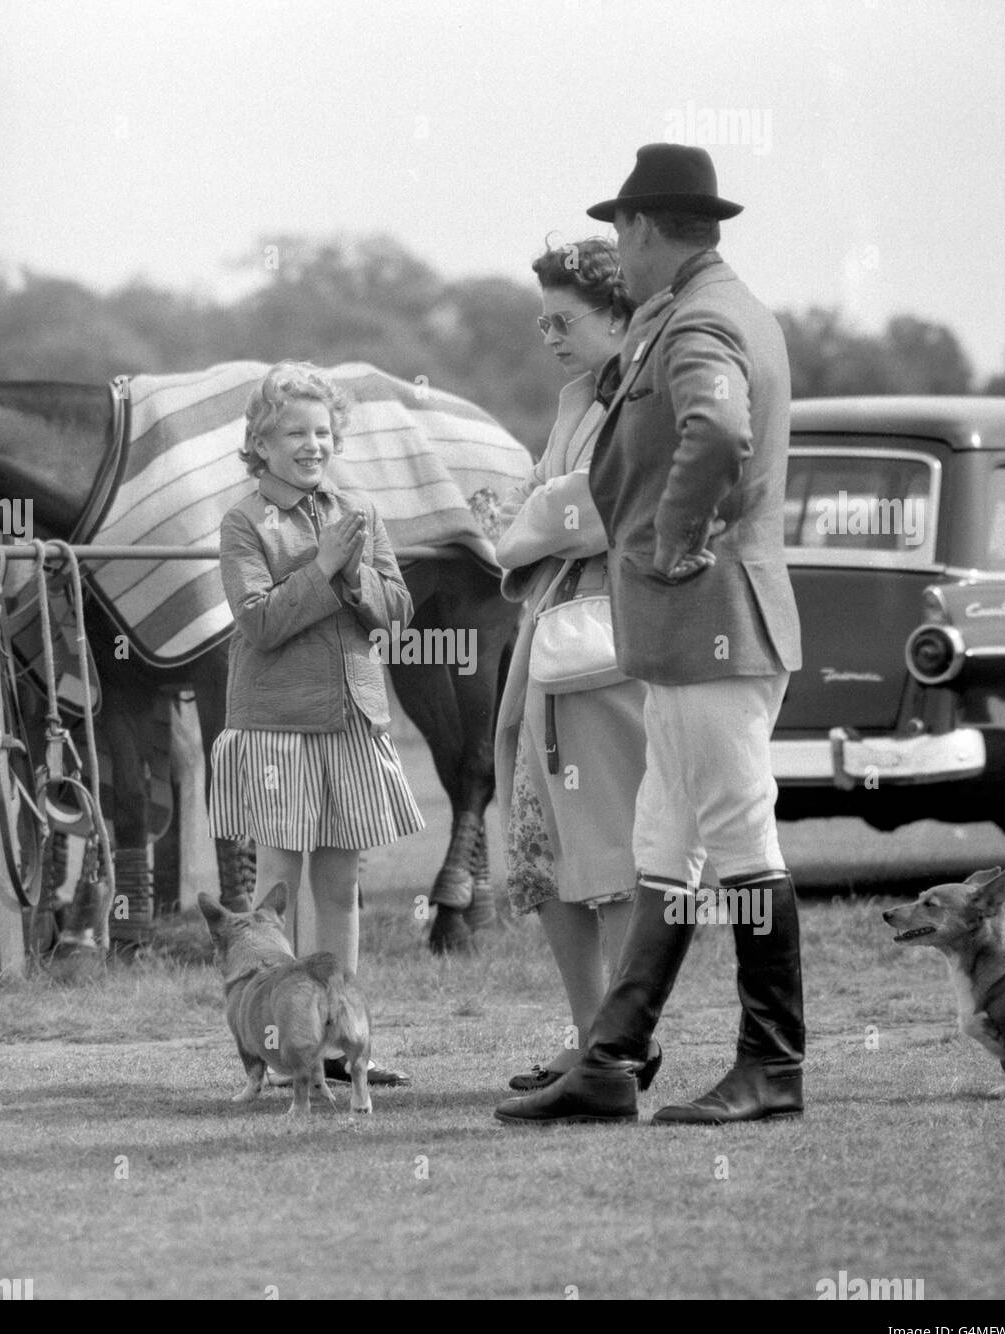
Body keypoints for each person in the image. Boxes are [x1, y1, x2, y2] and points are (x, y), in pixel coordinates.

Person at [496, 143, 805, 1126]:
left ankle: (771, 1066)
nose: (613, 257)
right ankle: (610, 1058)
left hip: (712, 617)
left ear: (638, 227)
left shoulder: (701, 320)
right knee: (663, 840)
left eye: (615, 235)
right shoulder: (700, 308)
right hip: (691, 628)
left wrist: (674, 535)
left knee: (739, 837)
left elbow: (716, 432)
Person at [208, 360, 424, 1087]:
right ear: (259, 444)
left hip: (351, 720)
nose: (312, 444)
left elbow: (396, 608)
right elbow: (260, 622)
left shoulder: (359, 511)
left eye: (323, 430)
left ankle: (342, 1042)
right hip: (274, 727)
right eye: (293, 431)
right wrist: (326, 568)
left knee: (340, 886)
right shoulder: (242, 522)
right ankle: (285, 1042)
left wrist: (357, 576)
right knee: (278, 884)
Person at [494, 237, 660, 1093]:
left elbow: (592, 507)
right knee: (541, 843)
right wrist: (537, 515)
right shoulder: (572, 401)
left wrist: (527, 519)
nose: (548, 334)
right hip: (552, 638)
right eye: (542, 320)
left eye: (564, 320)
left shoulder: (647, 391)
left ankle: (624, 1040)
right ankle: (592, 1034)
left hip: (613, 640)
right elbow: (551, 507)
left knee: (622, 843)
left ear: (618, 315)